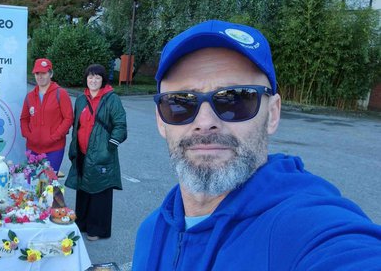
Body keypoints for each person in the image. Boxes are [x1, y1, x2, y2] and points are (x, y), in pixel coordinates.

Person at [132, 20, 381, 270]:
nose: (205, 122)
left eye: (236, 100)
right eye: (180, 103)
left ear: (272, 114)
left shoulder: (305, 228)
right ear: (161, 121)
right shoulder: (152, 231)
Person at [65, 64, 127, 241]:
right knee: (83, 189)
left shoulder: (111, 99)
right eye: (90, 77)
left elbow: (120, 125)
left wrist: (110, 147)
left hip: (102, 154)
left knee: (100, 191)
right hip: (83, 153)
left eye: (97, 77)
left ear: (103, 80)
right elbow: (77, 124)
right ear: (86, 79)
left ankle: (97, 229)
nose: (93, 80)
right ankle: (82, 224)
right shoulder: (81, 100)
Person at [20, 58, 73, 176]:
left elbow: (68, 118)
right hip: (33, 148)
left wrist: (54, 137)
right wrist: (28, 135)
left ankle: (55, 195)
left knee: (49, 185)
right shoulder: (30, 96)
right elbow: (24, 119)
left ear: (51, 73)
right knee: (32, 184)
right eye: (37, 73)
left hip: (54, 149)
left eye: (44, 73)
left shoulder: (61, 93)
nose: (40, 76)